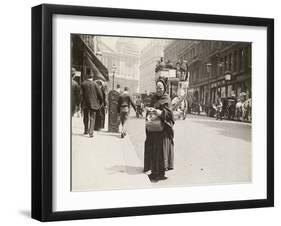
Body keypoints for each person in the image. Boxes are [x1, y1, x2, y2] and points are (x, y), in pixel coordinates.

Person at [144, 79, 175, 182]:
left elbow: (170, 115)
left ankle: (161, 173)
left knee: (161, 151)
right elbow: (150, 110)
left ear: (164, 88)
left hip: (163, 130)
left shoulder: (167, 98)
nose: (159, 90)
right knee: (154, 150)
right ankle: (154, 171)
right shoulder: (154, 98)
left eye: (161, 88)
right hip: (153, 129)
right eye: (157, 88)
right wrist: (150, 111)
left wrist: (160, 113)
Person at [81, 69, 103, 137]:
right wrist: (100, 102)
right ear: (92, 77)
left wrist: (80, 103)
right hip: (93, 104)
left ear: (87, 76)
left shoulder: (83, 83)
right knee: (92, 118)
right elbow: (100, 95)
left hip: (85, 103)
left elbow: (81, 95)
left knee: (85, 117)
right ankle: (91, 132)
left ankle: (85, 130)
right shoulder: (95, 84)